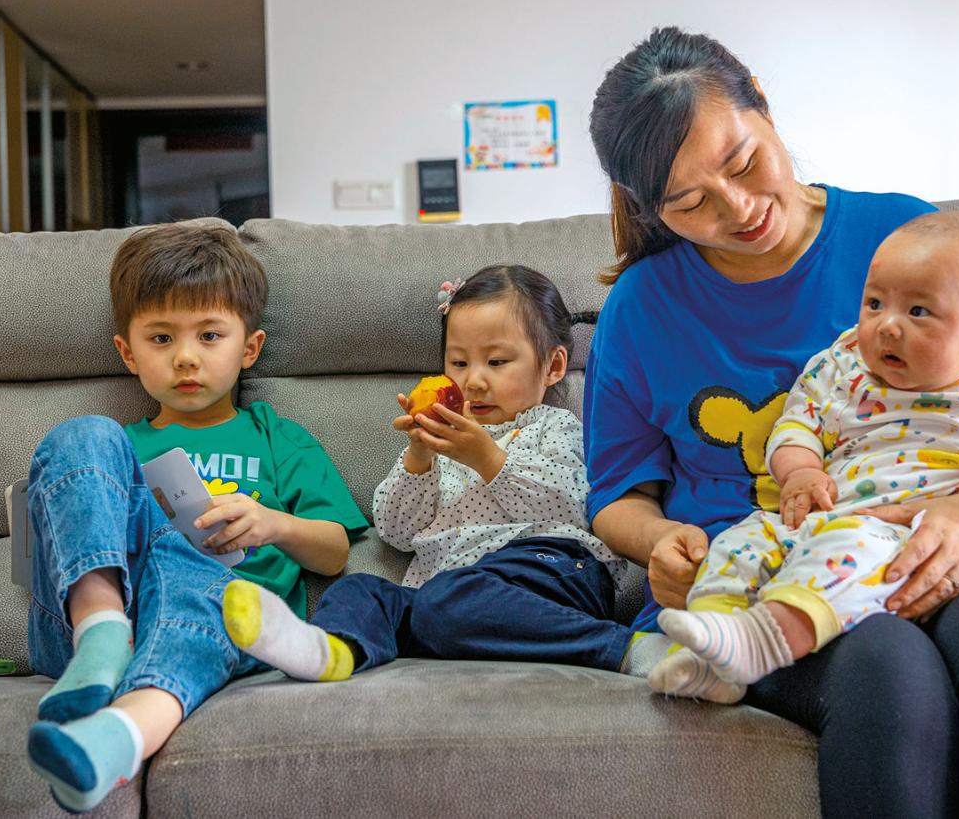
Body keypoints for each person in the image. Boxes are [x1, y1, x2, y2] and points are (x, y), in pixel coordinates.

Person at [584, 26, 959, 817]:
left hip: (914, 562)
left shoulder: (909, 244)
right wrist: (662, 543)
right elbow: (616, 496)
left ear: (762, 101)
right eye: (691, 203)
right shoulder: (641, 307)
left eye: (743, 162)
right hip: (759, 587)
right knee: (888, 666)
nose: (740, 207)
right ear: (651, 207)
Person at [649, 211, 959, 703]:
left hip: (904, 540)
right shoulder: (843, 363)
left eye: (918, 312)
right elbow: (798, 421)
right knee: (742, 542)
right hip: (816, 518)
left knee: (850, 547)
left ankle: (760, 643)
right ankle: (711, 655)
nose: (887, 326)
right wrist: (800, 470)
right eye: (875, 303)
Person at [23, 222, 368, 813]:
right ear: (128, 353)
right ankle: (101, 631)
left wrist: (273, 523)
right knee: (82, 435)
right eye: (161, 338)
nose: (185, 357)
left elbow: (335, 552)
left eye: (210, 336)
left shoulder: (276, 437)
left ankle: (110, 741)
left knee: (195, 584)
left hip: (219, 621)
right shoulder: (122, 446)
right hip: (87, 627)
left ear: (249, 349)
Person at [222, 265, 662, 680]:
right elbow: (396, 532)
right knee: (360, 592)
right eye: (459, 363)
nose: (474, 381)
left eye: (496, 362)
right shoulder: (443, 442)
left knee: (447, 602)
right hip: (445, 594)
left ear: (554, 366)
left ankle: (623, 648)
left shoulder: (556, 426)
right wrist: (419, 457)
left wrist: (486, 456)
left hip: (549, 568)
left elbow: (569, 503)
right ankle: (333, 650)